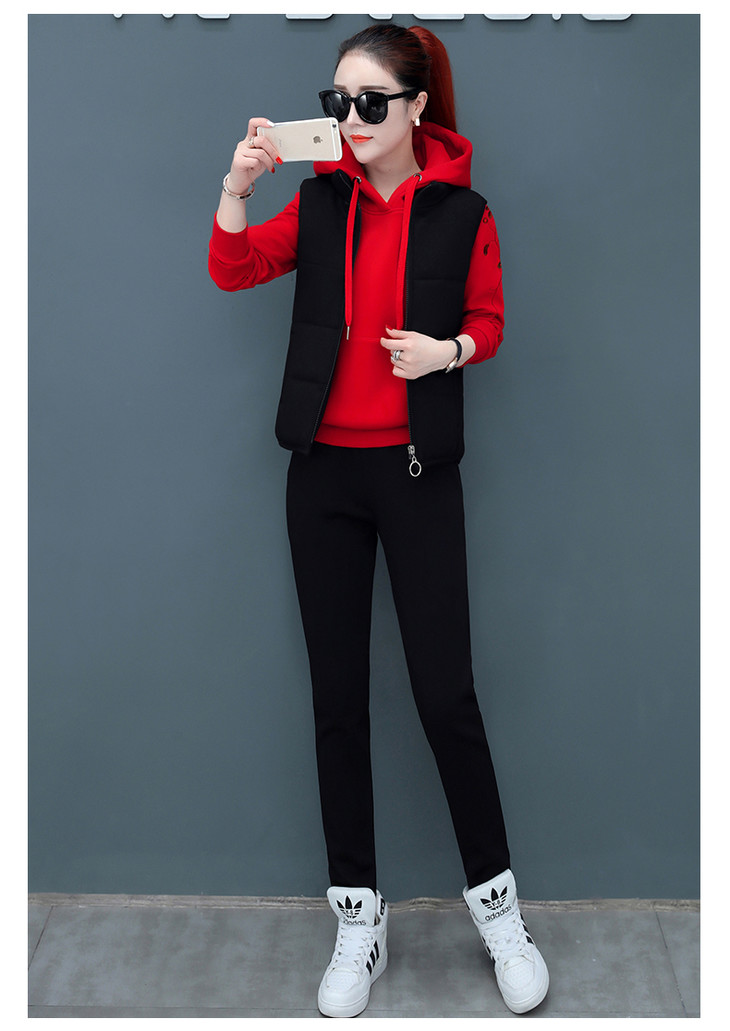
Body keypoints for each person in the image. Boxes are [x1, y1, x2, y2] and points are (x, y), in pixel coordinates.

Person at [208, 22, 549, 1018]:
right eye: (337, 102)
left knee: (447, 697)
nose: (350, 119)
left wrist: (445, 354)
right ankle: (358, 916)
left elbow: (488, 321)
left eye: (369, 102)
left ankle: (499, 910)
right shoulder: (320, 202)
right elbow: (235, 267)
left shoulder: (463, 212)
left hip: (415, 473)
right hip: (322, 478)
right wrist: (237, 186)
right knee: (338, 699)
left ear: (416, 107)